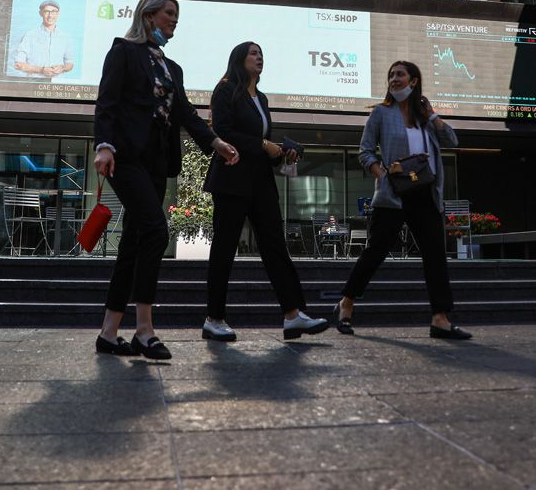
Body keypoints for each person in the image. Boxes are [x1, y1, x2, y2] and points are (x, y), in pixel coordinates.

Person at [93, 0, 240, 359]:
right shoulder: (123, 52)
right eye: (169, 13)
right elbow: (107, 101)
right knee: (157, 230)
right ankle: (144, 330)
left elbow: (187, 115)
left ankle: (108, 334)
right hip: (125, 157)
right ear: (148, 15)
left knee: (133, 243)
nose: (174, 20)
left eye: (177, 15)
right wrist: (104, 145)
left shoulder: (172, 68)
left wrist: (216, 142)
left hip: (157, 163)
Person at [202, 42, 329, 342]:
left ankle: (293, 315)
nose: (259, 58)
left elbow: (262, 143)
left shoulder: (261, 98)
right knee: (224, 249)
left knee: (275, 246)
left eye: (261, 54)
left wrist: (281, 153)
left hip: (260, 182)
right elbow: (223, 132)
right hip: (231, 181)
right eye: (253, 53)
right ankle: (214, 318)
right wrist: (261, 145)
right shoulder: (225, 90)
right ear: (239, 59)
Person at [334, 61, 471, 339]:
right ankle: (346, 301)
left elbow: (452, 140)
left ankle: (440, 318)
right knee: (376, 251)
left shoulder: (424, 119)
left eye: (400, 74)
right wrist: (380, 173)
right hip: (393, 194)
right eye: (391, 75)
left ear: (414, 81)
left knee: (435, 255)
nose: (394, 79)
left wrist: (431, 115)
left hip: (425, 193)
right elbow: (365, 151)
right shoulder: (381, 114)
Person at [13, 0, 76, 79]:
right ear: (41, 13)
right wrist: (41, 70)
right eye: (46, 11)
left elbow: (70, 63)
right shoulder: (29, 36)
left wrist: (62, 68)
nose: (50, 15)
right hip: (34, 85)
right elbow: (18, 64)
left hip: (58, 86)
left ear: (58, 14)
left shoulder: (66, 37)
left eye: (54, 11)